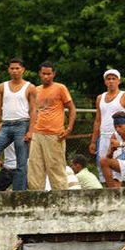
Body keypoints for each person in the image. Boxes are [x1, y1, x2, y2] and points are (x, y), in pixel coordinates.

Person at [0, 58, 36, 191]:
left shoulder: (30, 87)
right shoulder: (2, 86)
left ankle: (19, 192)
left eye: (17, 68)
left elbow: (33, 110)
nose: (14, 71)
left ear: (23, 70)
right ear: (8, 70)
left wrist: (31, 130)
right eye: (12, 68)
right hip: (6, 125)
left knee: (21, 161)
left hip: (22, 124)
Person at [28, 61, 76, 191]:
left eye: (49, 74)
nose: (46, 77)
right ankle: (36, 196)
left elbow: (72, 108)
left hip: (54, 134)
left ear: (53, 74)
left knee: (56, 168)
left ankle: (61, 198)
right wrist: (30, 131)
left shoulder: (60, 88)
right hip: (37, 133)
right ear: (39, 74)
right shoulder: (36, 90)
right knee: (35, 167)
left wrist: (69, 129)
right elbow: (33, 112)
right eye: (43, 74)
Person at [89, 69, 125, 182]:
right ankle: (108, 193)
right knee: (102, 168)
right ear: (105, 81)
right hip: (103, 137)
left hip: (118, 137)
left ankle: (118, 192)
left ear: (119, 81)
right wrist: (93, 141)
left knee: (118, 169)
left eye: (114, 79)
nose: (111, 81)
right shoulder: (100, 98)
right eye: (108, 79)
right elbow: (97, 120)